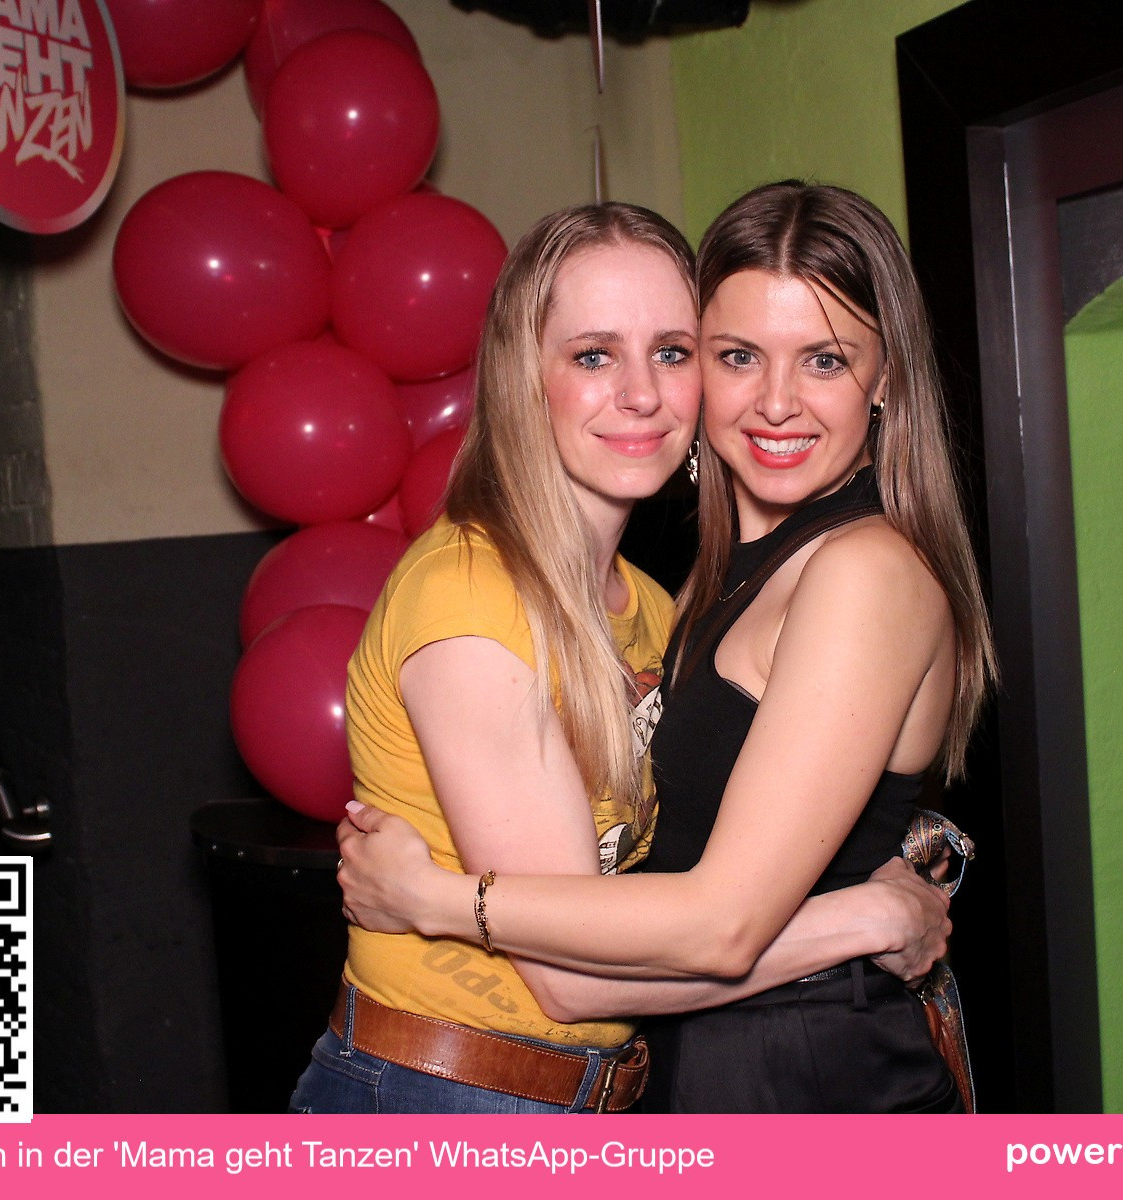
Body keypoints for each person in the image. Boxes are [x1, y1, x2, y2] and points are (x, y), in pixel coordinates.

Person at [336, 181, 996, 1113]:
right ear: (524, 374)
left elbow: (714, 912)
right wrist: (866, 911)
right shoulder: (601, 593)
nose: (776, 402)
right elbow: (598, 956)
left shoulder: (833, 573)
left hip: (796, 1073)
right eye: (738, 355)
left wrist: (434, 899)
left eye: (825, 360)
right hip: (471, 1094)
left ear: (886, 376)